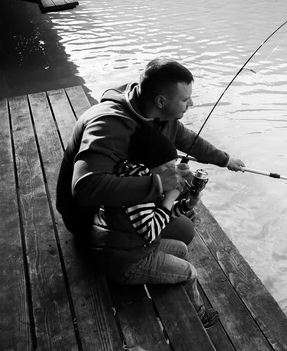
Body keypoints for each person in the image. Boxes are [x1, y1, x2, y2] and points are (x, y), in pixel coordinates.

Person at [56, 58, 245, 243]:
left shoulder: (153, 109)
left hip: (120, 206)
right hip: (86, 219)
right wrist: (159, 183)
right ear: (161, 101)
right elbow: (84, 187)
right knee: (185, 230)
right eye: (185, 99)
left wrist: (225, 160)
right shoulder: (107, 124)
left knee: (186, 207)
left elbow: (189, 140)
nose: (192, 104)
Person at [91, 125, 219, 327]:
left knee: (181, 249)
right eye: (166, 168)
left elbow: (159, 216)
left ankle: (170, 285)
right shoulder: (137, 191)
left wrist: (186, 204)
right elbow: (151, 231)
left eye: (173, 166)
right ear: (147, 165)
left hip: (128, 248)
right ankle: (199, 317)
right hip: (127, 263)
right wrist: (170, 198)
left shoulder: (138, 176)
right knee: (189, 272)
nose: (172, 173)